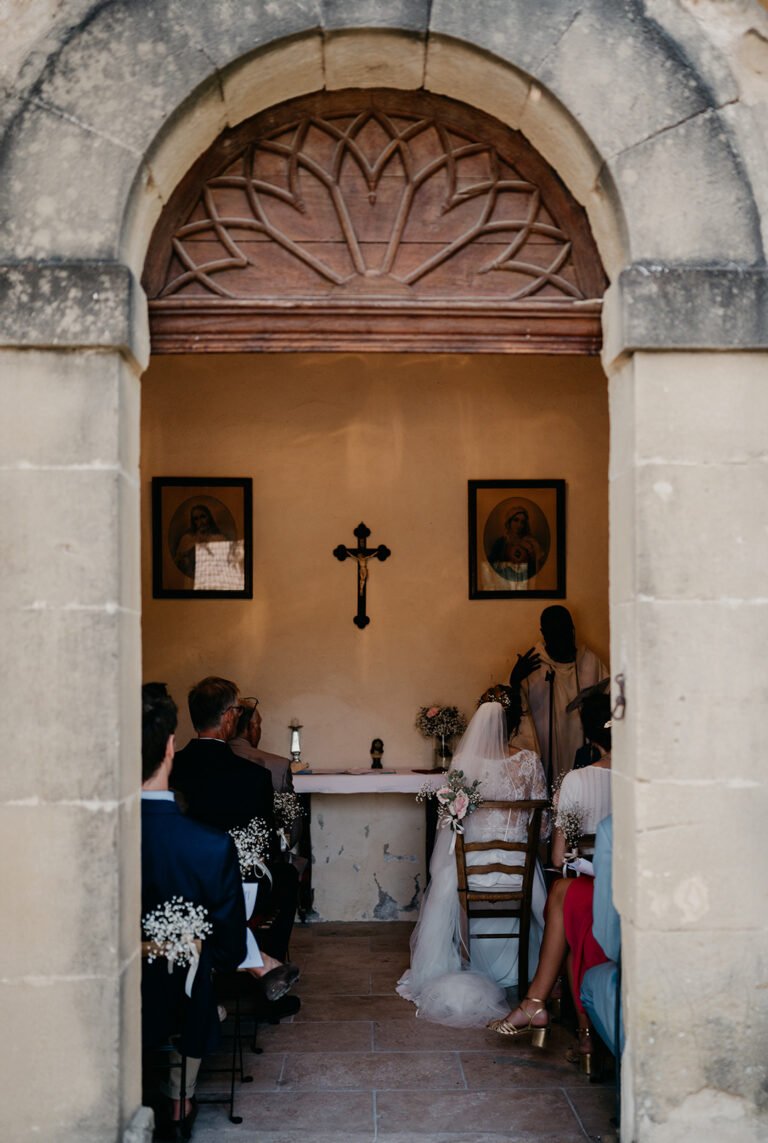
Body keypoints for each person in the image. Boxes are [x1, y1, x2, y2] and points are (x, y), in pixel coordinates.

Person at [396, 685, 549, 1027]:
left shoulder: (463, 763)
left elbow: (449, 825)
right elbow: (542, 831)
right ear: (514, 724)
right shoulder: (529, 762)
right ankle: (535, 975)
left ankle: (467, 962)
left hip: (472, 872)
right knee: (544, 893)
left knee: (448, 875)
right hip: (518, 873)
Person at [488, 687, 613, 1073]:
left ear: (589, 736)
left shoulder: (576, 781)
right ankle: (565, 1023)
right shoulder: (648, 780)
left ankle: (541, 1006)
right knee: (565, 895)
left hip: (594, 890)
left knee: (563, 891)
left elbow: (559, 858)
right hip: (635, 887)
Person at [141, 682, 246, 1135]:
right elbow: (229, 950)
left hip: (113, 1007)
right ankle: (179, 1101)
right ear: (169, 747)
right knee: (198, 972)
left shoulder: (85, 843)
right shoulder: (209, 847)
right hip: (182, 1002)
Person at [171, 677, 300, 976]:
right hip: (238, 886)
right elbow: (264, 846)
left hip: (181, 882)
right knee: (288, 876)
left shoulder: (171, 769)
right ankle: (268, 976)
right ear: (229, 716)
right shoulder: (252, 776)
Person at [510, 605, 607, 788]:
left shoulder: (590, 661)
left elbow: (611, 706)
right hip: (546, 750)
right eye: (556, 633)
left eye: (567, 631)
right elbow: (510, 715)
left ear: (573, 629)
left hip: (582, 755)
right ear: (544, 634)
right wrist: (514, 682)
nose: (563, 638)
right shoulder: (532, 665)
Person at [489, 506, 544, 584]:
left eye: (522, 522)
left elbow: (536, 571)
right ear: (509, 522)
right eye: (516, 520)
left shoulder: (532, 543)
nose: (519, 525)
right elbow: (490, 567)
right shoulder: (500, 543)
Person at [173, 504, 227, 580]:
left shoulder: (219, 538)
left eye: (203, 517)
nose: (200, 522)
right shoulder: (187, 539)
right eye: (196, 519)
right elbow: (178, 562)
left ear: (209, 517)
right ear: (193, 521)